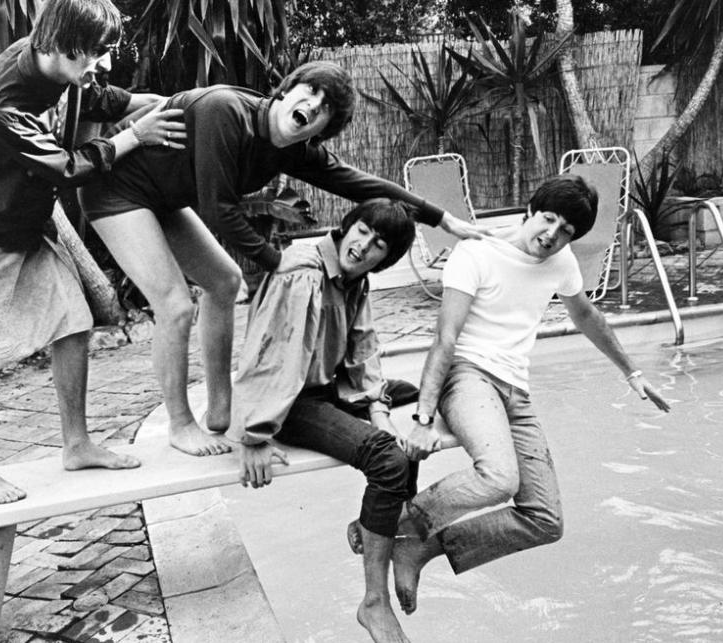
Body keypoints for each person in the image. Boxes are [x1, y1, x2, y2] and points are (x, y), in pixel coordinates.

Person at [79, 60, 487, 458]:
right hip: (116, 191)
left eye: (325, 108)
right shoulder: (225, 110)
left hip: (162, 198)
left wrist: (441, 217)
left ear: (324, 129)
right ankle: (181, 424)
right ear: (287, 89)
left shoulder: (294, 149)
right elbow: (218, 208)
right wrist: (275, 260)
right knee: (174, 305)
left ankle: (221, 409)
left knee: (223, 282)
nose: (312, 105)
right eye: (310, 91)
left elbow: (359, 182)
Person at [0, 0, 186, 504]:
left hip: (25, 218)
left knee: (73, 321)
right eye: (92, 53)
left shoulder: (63, 65)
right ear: (58, 43)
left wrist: (168, 104)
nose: (100, 64)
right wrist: (136, 136)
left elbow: (102, 98)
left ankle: (77, 444)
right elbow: (67, 167)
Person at [388, 175, 672, 614]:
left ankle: (420, 549)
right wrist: (424, 419)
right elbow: (445, 337)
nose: (552, 235)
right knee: (499, 478)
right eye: (549, 219)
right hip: (468, 376)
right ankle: (395, 525)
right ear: (530, 210)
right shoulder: (477, 252)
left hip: (514, 391)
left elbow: (586, 315)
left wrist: (632, 373)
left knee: (545, 519)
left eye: (566, 232)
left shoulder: (561, 263)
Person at [228, 199, 422, 643]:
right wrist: (254, 433)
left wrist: (378, 409)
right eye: (362, 231)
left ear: (384, 258)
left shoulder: (354, 280)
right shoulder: (304, 273)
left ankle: (380, 524)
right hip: (288, 401)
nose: (364, 246)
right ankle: (374, 603)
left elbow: (363, 348)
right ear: (347, 226)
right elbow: (270, 355)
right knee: (388, 460)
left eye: (378, 244)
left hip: (322, 387)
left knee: (409, 402)